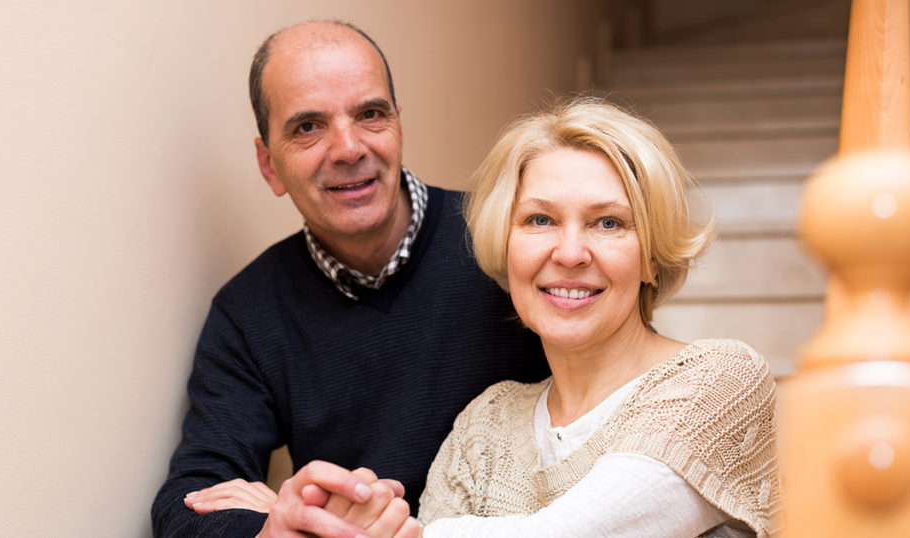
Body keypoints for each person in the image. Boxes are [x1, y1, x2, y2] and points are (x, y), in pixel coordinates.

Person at [150, 20, 547, 538]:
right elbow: (188, 500)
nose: (348, 148)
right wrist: (273, 528)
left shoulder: (505, 244)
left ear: (398, 126)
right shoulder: (248, 313)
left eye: (370, 114)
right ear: (269, 165)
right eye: (308, 127)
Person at [327, 98, 780, 537]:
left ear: (652, 259)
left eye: (608, 222)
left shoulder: (720, 383)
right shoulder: (483, 427)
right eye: (540, 220)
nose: (569, 254)